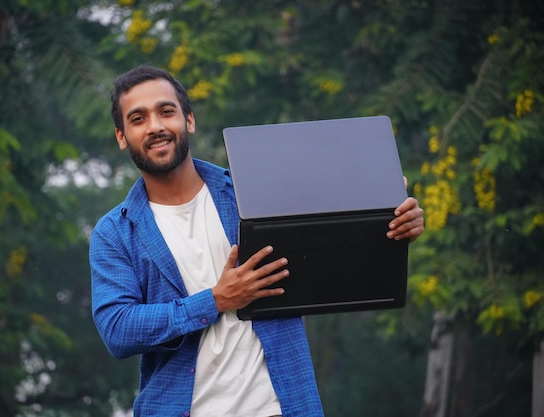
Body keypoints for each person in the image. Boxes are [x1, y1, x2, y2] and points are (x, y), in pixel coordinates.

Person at [90, 64, 425, 417]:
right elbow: (119, 329)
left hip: (280, 407)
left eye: (166, 111)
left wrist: (393, 225)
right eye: (138, 118)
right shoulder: (115, 233)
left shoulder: (253, 193)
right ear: (122, 136)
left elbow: (333, 243)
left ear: (189, 120)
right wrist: (215, 301)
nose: (156, 126)